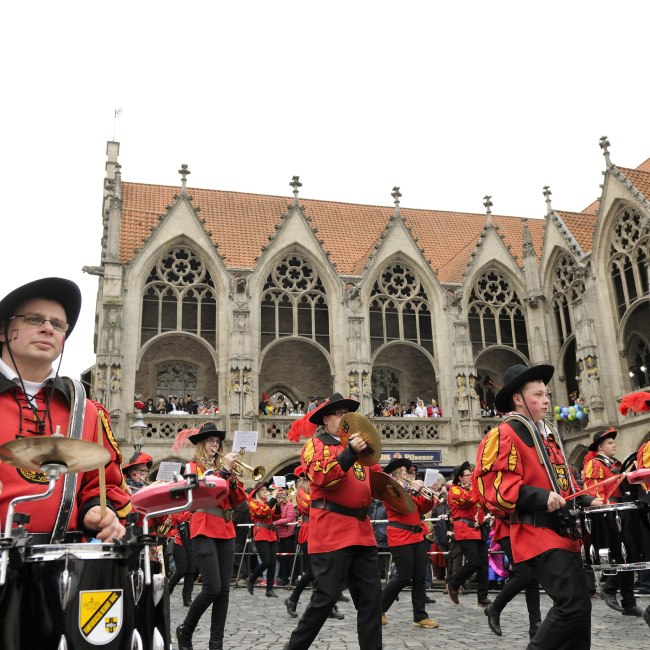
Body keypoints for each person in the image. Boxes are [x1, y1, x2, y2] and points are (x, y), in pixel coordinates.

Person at [474, 363, 601, 650]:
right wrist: (539, 497)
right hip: (536, 532)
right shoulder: (505, 433)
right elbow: (493, 486)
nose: (546, 400)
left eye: (546, 394)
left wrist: (587, 499)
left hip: (563, 532)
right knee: (571, 606)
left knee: (581, 610)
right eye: (539, 395)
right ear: (518, 399)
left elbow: (563, 483)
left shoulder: (547, 434)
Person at [0, 277, 129, 542]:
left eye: (58, 325)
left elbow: (100, 483)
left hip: (61, 563)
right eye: (34, 319)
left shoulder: (85, 410)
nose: (48, 329)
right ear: (3, 330)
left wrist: (95, 509)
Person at [284, 392, 383, 650]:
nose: (344, 418)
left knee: (371, 599)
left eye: (346, 414)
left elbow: (377, 481)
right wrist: (350, 452)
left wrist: (399, 487)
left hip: (361, 531)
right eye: (339, 414)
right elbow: (321, 476)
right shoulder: (316, 445)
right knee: (325, 597)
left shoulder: (360, 449)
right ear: (326, 420)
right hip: (332, 530)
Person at [174, 422, 247, 650]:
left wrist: (233, 482)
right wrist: (224, 472)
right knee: (212, 588)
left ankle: (216, 643)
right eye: (210, 441)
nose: (215, 445)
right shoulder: (192, 466)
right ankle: (186, 630)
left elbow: (237, 501)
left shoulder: (223, 469)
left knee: (224, 591)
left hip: (225, 526)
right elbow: (200, 495)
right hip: (204, 525)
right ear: (201, 444)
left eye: (217, 441)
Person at [582, 427, 643, 616]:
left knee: (630, 556)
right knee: (623, 557)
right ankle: (610, 589)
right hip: (609, 514)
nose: (614, 444)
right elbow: (594, 492)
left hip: (623, 512)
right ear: (600, 447)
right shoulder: (595, 464)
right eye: (609, 442)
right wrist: (605, 508)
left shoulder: (614, 464)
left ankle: (628, 602)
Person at [379, 458, 438, 629]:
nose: (409, 472)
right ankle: (378, 609)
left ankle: (420, 616)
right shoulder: (390, 488)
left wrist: (429, 495)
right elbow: (400, 506)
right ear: (397, 472)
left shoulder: (410, 488)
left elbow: (421, 508)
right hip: (400, 535)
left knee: (420, 576)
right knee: (403, 576)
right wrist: (413, 491)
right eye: (405, 470)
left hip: (416, 535)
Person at [284, 466, 344, 620]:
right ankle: (293, 599)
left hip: (320, 531)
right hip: (308, 531)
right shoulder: (302, 492)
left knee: (322, 571)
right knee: (313, 571)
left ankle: (327, 606)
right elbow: (315, 507)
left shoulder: (314, 490)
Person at [446, 461, 491, 607]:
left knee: (483, 564)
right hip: (465, 528)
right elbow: (469, 500)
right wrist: (478, 487)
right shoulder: (454, 490)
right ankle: (453, 584)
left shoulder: (473, 488)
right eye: (468, 474)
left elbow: (483, 503)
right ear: (460, 478)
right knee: (473, 562)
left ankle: (482, 597)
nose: (471, 476)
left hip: (479, 529)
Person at [246, 480, 282, 597]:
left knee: (272, 563)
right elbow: (263, 512)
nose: (265, 492)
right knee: (266, 561)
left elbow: (276, 517)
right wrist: (273, 499)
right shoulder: (253, 502)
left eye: (266, 490)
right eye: (263, 490)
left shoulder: (268, 502)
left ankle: (269, 589)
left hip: (271, 533)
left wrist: (278, 505)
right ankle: (251, 579)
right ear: (257, 492)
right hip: (261, 533)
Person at [276, 485, 297, 586]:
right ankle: (284, 578)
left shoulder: (289, 505)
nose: (280, 498)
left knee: (289, 558)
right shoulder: (278, 506)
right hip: (280, 535)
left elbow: (289, 519)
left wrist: (276, 522)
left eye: (281, 496)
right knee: (282, 558)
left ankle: (292, 577)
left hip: (288, 535)